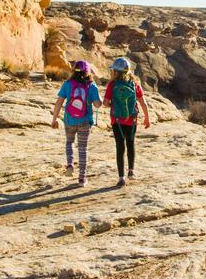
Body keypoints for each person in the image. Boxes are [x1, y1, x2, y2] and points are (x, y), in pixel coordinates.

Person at [51, 60, 102, 187]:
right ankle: (82, 178)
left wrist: (54, 119)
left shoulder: (67, 84)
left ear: (74, 71)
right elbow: (98, 104)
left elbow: (59, 102)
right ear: (88, 72)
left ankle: (70, 164)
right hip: (85, 120)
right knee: (83, 148)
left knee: (69, 142)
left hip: (69, 120)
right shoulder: (91, 86)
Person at [103, 57, 150, 187]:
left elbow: (105, 103)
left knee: (120, 146)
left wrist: (113, 104)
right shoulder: (135, 84)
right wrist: (147, 118)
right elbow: (143, 103)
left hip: (116, 120)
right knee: (130, 143)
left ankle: (121, 178)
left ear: (115, 72)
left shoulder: (112, 85)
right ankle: (131, 172)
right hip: (132, 120)